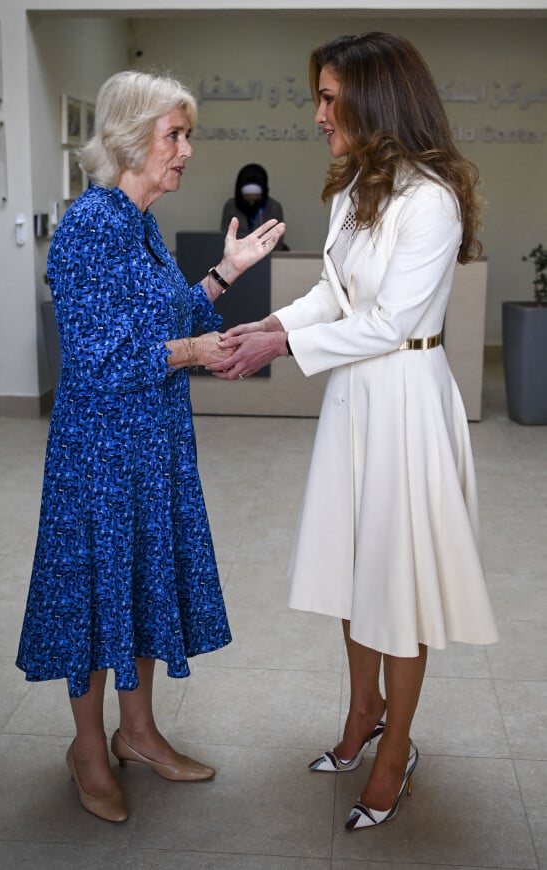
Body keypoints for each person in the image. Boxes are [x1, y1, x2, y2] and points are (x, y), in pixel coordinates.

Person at [209, 33, 498, 831]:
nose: (318, 114)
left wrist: (285, 346)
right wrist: (270, 321)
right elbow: (334, 298)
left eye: (330, 98)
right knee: (353, 564)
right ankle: (364, 707)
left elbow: (391, 321)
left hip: (406, 398)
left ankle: (396, 746)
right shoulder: (353, 193)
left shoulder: (430, 199)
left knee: (397, 583)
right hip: (354, 402)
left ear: (376, 99)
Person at [16, 70, 285, 824]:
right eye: (175, 135)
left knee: (140, 583)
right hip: (100, 449)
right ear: (133, 139)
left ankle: (138, 735)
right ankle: (88, 751)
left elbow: (162, 315)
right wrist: (190, 354)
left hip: (152, 441)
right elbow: (97, 355)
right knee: (96, 594)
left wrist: (222, 276)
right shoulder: (89, 225)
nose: (187, 150)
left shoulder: (137, 222)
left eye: (184, 135)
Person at [221, 163, 287, 249]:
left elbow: (277, 242)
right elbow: (224, 239)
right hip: (238, 255)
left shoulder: (274, 208)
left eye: (256, 200)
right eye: (248, 199)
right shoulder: (231, 207)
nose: (251, 203)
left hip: (265, 256)